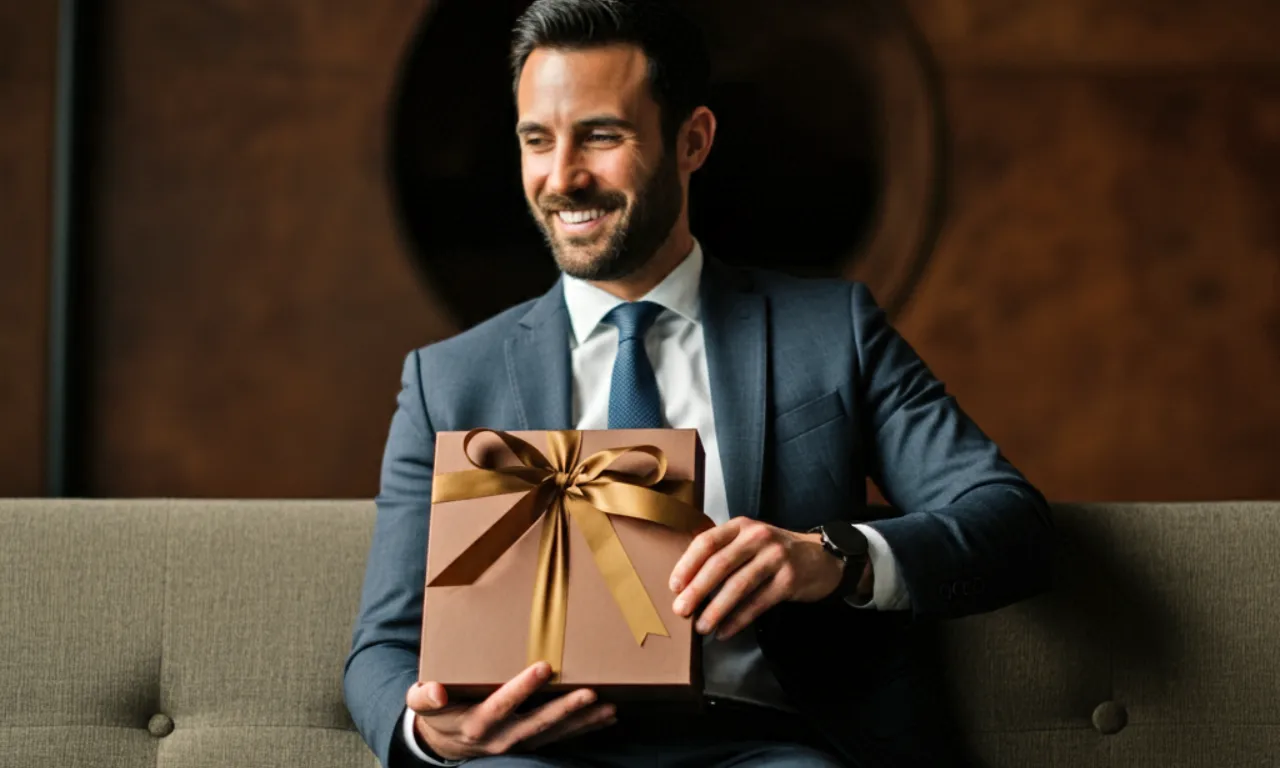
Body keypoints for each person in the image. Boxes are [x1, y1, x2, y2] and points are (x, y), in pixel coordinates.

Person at [344, 1, 1055, 765]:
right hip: (536, 756)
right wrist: (431, 732)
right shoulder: (447, 379)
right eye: (537, 141)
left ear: (693, 140)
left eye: (601, 136)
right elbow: (382, 648)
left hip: (769, 746)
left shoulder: (832, 330)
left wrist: (832, 556)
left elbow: (1009, 522)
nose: (563, 177)